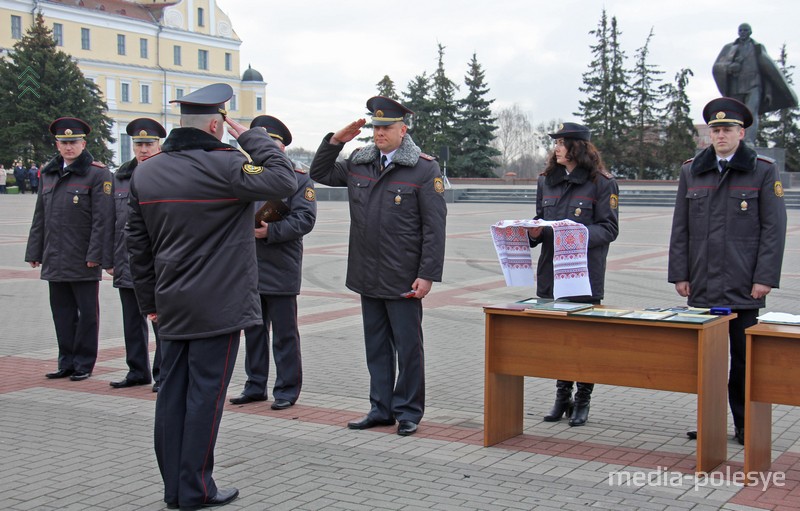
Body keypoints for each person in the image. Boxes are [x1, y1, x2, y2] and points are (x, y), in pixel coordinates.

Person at [126, 83, 297, 510]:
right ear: (217, 124)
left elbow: (137, 245)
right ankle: (196, 489)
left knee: (172, 394)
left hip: (169, 304)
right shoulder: (226, 165)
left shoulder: (146, 171)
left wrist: (149, 303)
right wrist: (249, 135)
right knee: (205, 397)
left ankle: (174, 487)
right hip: (217, 306)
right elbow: (283, 177)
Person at [309, 96, 447, 437]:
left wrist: (427, 274)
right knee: (376, 346)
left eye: (385, 127)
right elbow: (320, 172)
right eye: (375, 127)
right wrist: (335, 141)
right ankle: (380, 408)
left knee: (408, 347)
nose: (379, 133)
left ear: (403, 129)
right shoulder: (360, 161)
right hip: (367, 272)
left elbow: (434, 227)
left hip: (403, 276)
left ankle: (409, 411)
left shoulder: (424, 168)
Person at [669, 97, 787, 445]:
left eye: (727, 129)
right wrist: (680, 274)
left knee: (744, 361)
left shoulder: (763, 170)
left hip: (743, 285)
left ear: (741, 132)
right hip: (703, 283)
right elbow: (681, 228)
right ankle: (709, 423)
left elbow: (773, 229)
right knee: (708, 361)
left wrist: (764, 278)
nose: (720, 135)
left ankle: (744, 424)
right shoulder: (692, 170)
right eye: (715, 129)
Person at [525, 122, 619, 427]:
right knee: (558, 340)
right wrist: (533, 232)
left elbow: (609, 228)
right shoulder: (546, 181)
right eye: (556, 143)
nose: (557, 148)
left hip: (584, 276)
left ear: (578, 147)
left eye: (563, 143)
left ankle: (583, 400)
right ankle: (562, 397)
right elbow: (539, 222)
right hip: (551, 275)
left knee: (583, 340)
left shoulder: (602, 183)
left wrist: (575, 233)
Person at [229, 115, 316, 410]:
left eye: (272, 143)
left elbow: (305, 218)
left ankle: (287, 389)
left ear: (281, 147)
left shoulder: (299, 177)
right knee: (253, 332)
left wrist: (271, 231)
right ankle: (255, 385)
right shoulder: (246, 173)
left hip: (281, 265)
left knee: (284, 334)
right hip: (248, 267)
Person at [25, 117, 114, 381]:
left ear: (83, 143)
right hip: (55, 257)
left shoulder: (98, 174)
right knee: (62, 314)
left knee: (87, 316)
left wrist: (96, 255)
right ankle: (66, 361)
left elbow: (103, 219)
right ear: (57, 144)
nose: (68, 147)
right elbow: (40, 215)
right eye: (64, 143)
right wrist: (34, 251)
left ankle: (84, 363)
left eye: (73, 142)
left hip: (83, 258)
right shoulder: (50, 173)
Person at [107, 118, 166, 392]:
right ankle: (137, 370)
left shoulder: (167, 173)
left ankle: (163, 373)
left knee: (161, 323)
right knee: (132, 322)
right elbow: (111, 221)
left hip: (157, 264)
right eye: (139, 144)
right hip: (126, 262)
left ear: (159, 145)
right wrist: (108, 258)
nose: (143, 149)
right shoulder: (120, 176)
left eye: (149, 144)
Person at [712, 23, 799, 146]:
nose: (743, 32)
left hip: (754, 85)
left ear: (750, 32)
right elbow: (718, 67)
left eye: (745, 30)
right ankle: (735, 141)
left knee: (751, 113)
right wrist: (730, 67)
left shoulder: (757, 48)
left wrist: (768, 92)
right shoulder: (729, 48)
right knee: (735, 115)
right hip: (736, 87)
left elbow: (767, 71)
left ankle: (748, 141)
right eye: (741, 30)